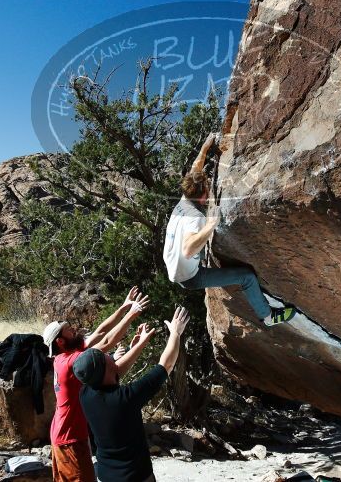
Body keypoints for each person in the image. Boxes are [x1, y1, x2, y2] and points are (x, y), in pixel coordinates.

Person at [163, 134, 296, 326]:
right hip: (190, 277)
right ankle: (267, 316)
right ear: (202, 197)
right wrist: (210, 225)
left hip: (174, 268)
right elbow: (188, 249)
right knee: (247, 277)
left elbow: (194, 169)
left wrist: (205, 148)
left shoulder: (184, 200)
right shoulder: (196, 218)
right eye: (207, 190)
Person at [43, 286, 150, 482]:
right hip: (70, 438)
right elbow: (107, 341)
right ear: (60, 341)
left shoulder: (65, 357)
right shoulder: (71, 362)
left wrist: (124, 307)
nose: (73, 329)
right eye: (69, 329)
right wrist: (133, 314)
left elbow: (101, 331)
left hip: (65, 434)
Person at [75, 306, 190, 482]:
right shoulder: (126, 398)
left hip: (106, 475)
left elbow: (114, 373)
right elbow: (165, 365)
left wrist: (137, 345)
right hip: (136, 476)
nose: (109, 355)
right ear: (105, 368)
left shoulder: (86, 394)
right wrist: (175, 333)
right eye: (105, 355)